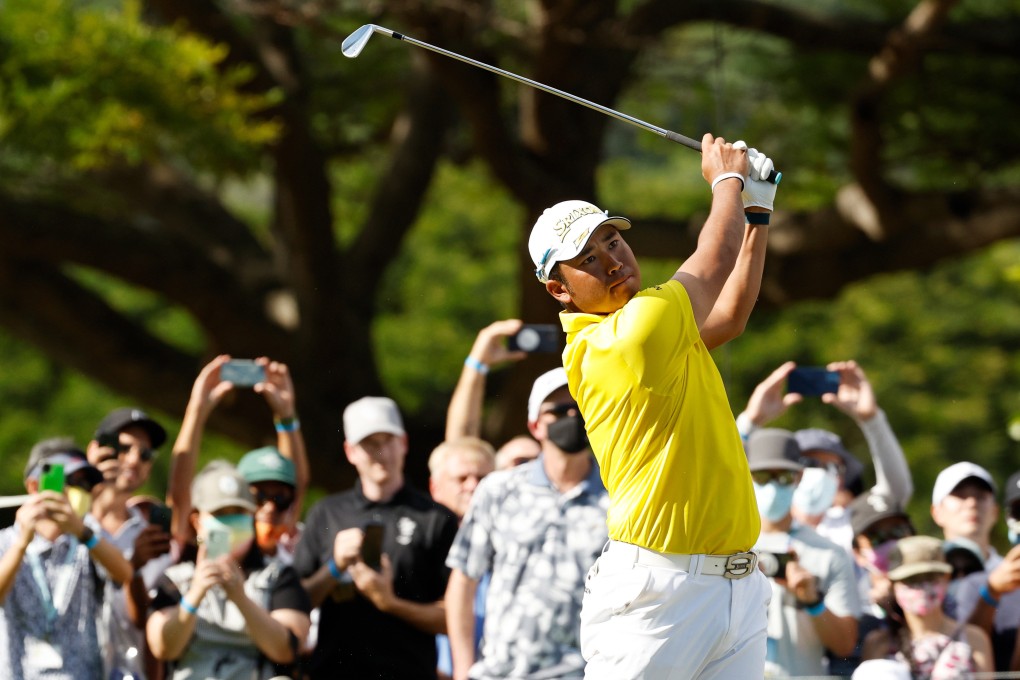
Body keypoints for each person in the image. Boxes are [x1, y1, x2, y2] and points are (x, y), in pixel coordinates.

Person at [531, 134, 776, 678]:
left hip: (736, 587)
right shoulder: (628, 335)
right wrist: (728, 182)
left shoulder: (656, 329)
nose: (611, 261)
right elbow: (712, 263)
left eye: (612, 242)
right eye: (587, 259)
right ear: (559, 290)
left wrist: (755, 214)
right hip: (658, 595)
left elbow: (730, 314)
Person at [445, 368, 610, 680]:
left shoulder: (618, 497)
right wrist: (462, 670)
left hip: (586, 673)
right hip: (500, 673)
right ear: (535, 425)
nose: (572, 416)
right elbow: (463, 583)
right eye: (558, 411)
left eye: (580, 408)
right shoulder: (498, 490)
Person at [294, 396, 459, 679]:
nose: (382, 452)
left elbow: (454, 616)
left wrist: (391, 603)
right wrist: (333, 568)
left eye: (388, 440)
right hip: (334, 672)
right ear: (350, 451)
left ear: (404, 443)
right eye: (370, 443)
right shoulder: (327, 513)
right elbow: (296, 603)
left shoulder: (435, 518)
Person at [146, 461, 311, 679]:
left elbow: (286, 649)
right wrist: (195, 594)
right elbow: (163, 648)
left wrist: (239, 597)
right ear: (197, 521)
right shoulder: (176, 579)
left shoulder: (279, 576)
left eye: (238, 511)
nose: (231, 521)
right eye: (221, 513)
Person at [736, 360, 913, 555]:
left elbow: (896, 493)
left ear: (842, 478)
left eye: (831, 467)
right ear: (793, 472)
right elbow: (721, 480)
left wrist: (872, 420)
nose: (818, 473)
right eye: (809, 463)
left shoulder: (854, 523)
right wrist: (750, 421)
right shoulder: (758, 517)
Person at [0, 439, 133, 680]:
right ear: (34, 486)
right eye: (69, 481)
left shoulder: (88, 535)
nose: (78, 490)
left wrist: (81, 531)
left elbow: (124, 574)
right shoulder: (7, 541)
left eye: (84, 484)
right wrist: (22, 544)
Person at [747, 428, 861, 677]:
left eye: (784, 477)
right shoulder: (723, 546)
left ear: (799, 478)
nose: (773, 485)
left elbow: (845, 644)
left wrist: (813, 602)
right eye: (763, 476)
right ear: (745, 478)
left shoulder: (829, 552)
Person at [87, 406, 174, 680]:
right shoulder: (68, 520)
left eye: (145, 454)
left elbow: (140, 618)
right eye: (124, 448)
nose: (134, 460)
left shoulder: (151, 535)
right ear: (95, 450)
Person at [860, 535, 993, 676]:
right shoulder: (878, 644)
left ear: (946, 578)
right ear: (893, 585)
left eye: (930, 577)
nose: (922, 588)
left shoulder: (973, 639)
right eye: (911, 579)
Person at [428, 437, 496, 680]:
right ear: (434, 487)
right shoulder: (421, 547)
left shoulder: (507, 547)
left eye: (482, 478)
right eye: (461, 478)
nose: (473, 486)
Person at [942, 466, 1020, 670]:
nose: (971, 503)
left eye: (979, 496)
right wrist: (990, 593)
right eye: (960, 495)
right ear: (936, 511)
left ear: (995, 512)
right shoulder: (929, 577)